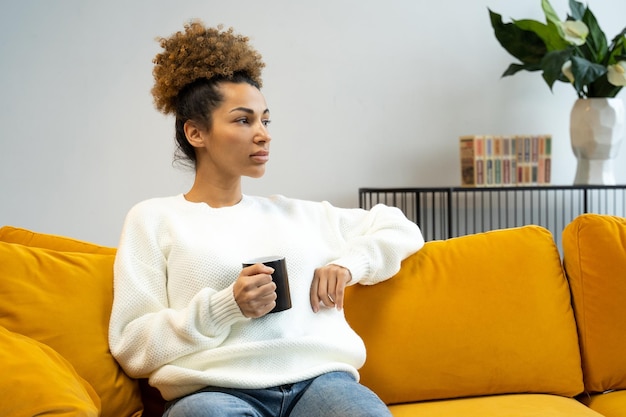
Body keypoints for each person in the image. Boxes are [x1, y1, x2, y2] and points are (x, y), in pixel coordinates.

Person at [108, 21, 424, 417]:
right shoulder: (154, 219)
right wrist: (226, 306)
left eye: (265, 120)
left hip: (320, 382)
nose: (263, 134)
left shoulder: (297, 214)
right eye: (243, 120)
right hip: (214, 393)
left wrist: (350, 264)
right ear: (195, 133)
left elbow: (400, 227)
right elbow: (132, 345)